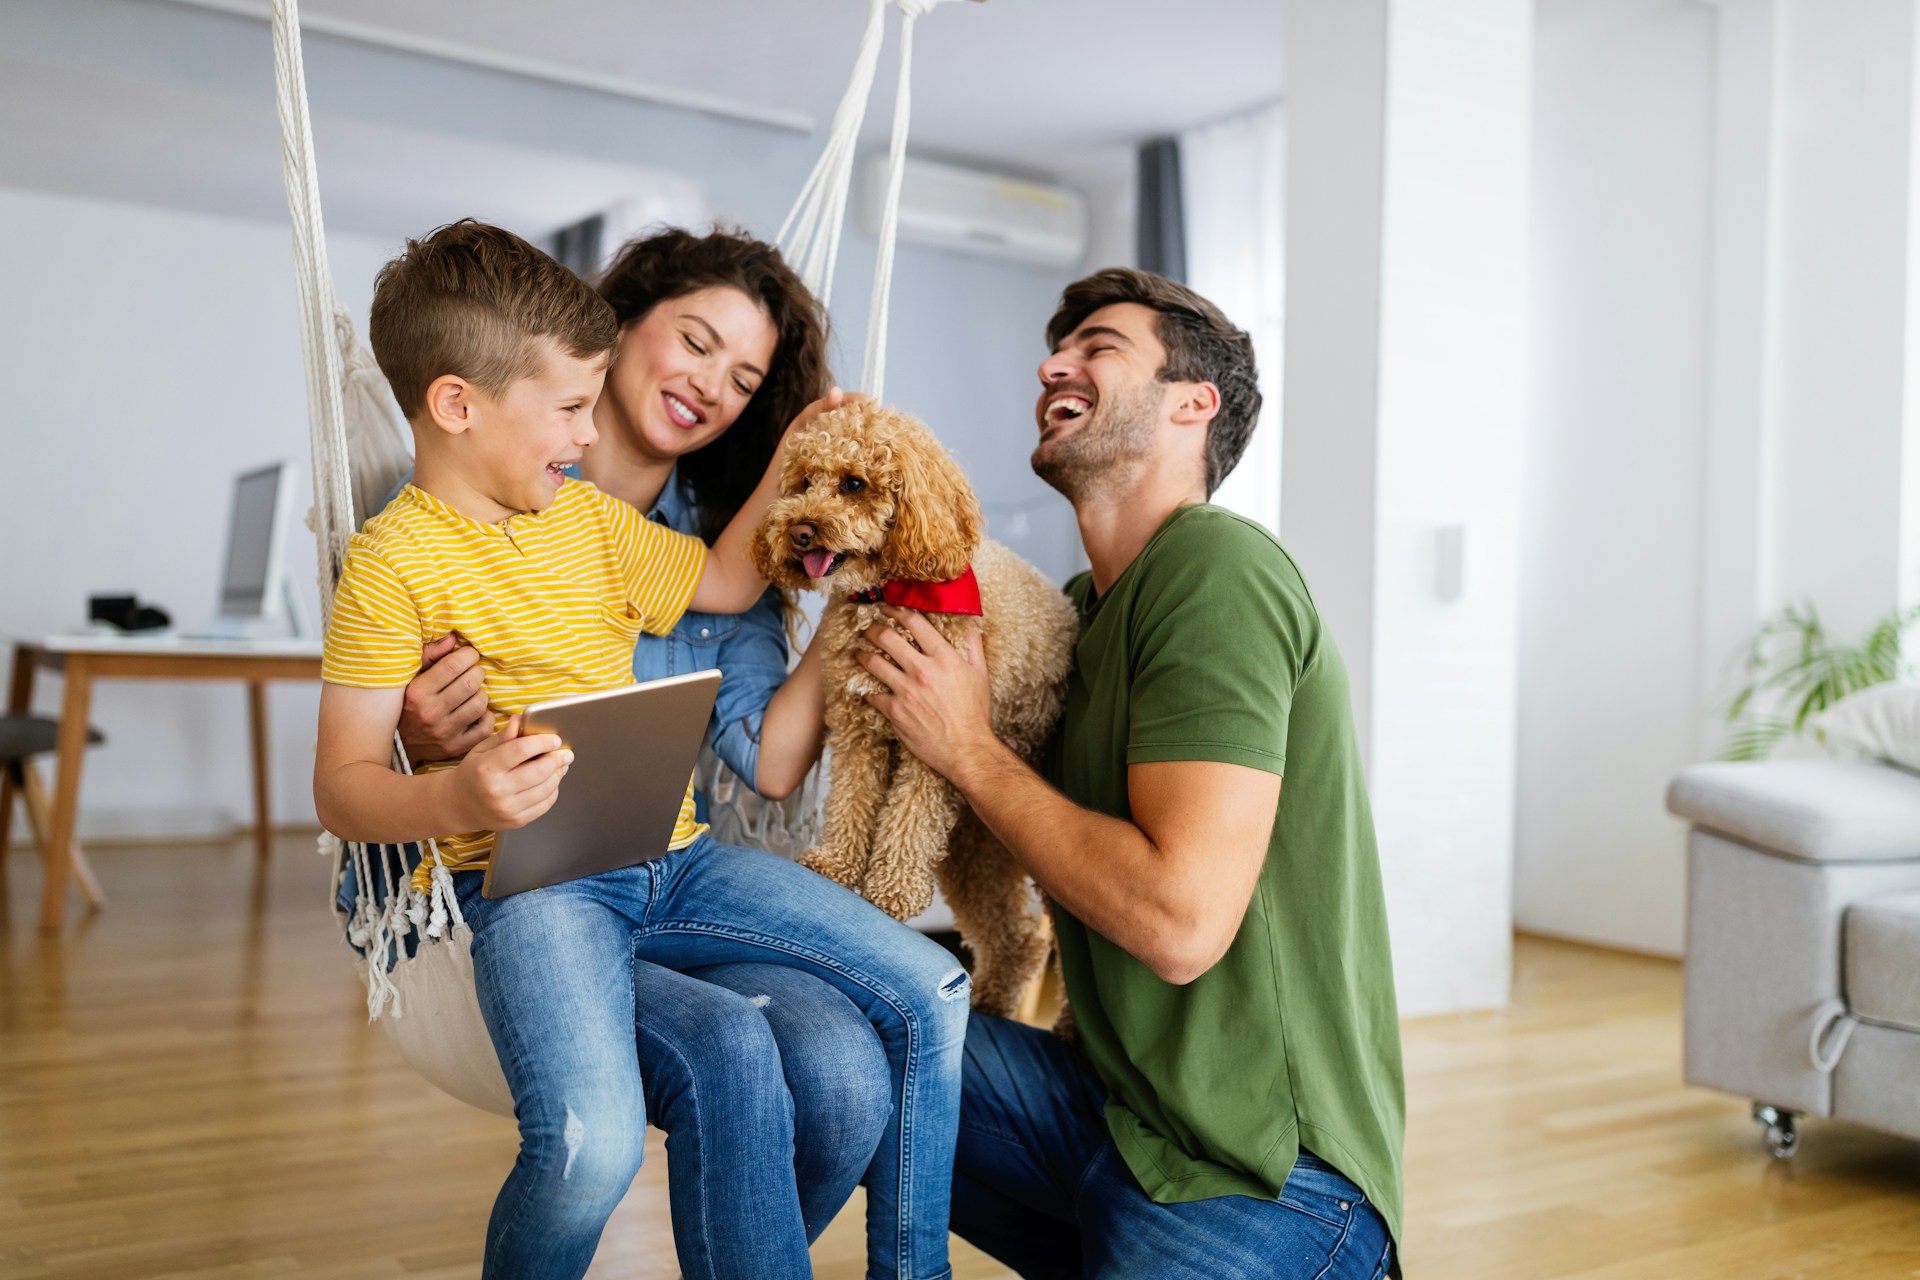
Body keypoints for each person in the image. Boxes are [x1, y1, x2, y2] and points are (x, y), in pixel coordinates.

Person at [315, 219, 967, 1280]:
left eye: (745, 375)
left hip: (676, 857)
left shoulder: (585, 521)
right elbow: (340, 785)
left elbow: (721, 579)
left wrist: (803, 460)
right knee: (592, 1143)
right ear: (456, 404)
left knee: (932, 990)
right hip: (543, 886)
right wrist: (458, 792)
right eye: (569, 405)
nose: (579, 434)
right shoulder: (392, 561)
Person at [857, 268, 1406, 1279]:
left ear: (1194, 403)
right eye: (1058, 347)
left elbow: (1178, 922)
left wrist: (966, 746)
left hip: (1268, 1177)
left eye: (1098, 346)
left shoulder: (1218, 566)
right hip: (1112, 1117)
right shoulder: (1075, 613)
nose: (1051, 363)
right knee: (852, 1032)